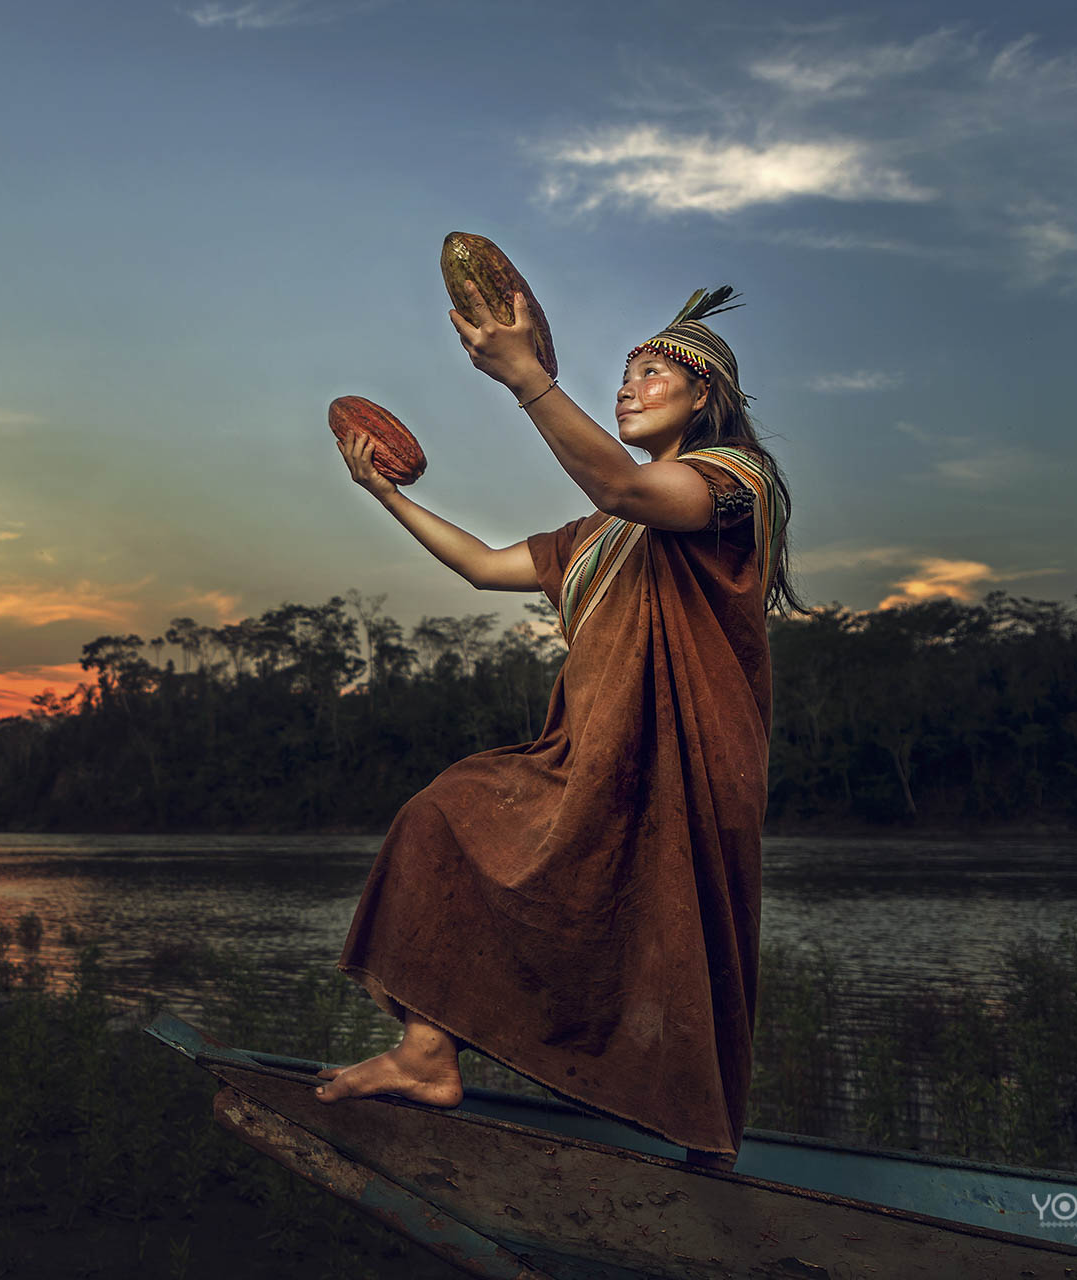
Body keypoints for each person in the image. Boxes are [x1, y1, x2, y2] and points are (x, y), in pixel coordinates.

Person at [315, 280, 808, 1169]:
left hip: (687, 757)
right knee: (444, 815)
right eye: (624, 372)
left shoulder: (736, 484)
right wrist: (383, 494)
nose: (630, 386)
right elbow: (479, 566)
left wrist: (523, 379)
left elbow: (627, 487)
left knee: (680, 935)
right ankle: (428, 1055)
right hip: (588, 751)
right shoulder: (598, 535)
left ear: (704, 399)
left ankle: (703, 1149)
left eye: (653, 372)